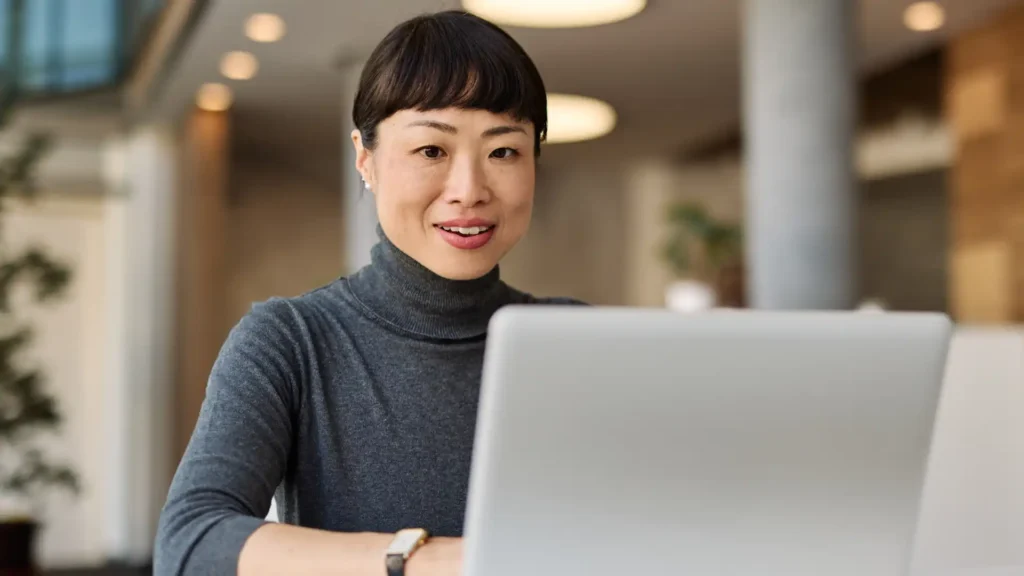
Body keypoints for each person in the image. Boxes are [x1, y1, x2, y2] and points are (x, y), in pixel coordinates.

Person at [154, 10, 583, 576]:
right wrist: (433, 560)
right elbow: (191, 544)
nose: (469, 190)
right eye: (431, 150)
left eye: (503, 151)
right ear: (366, 158)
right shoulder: (290, 342)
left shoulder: (575, 341)